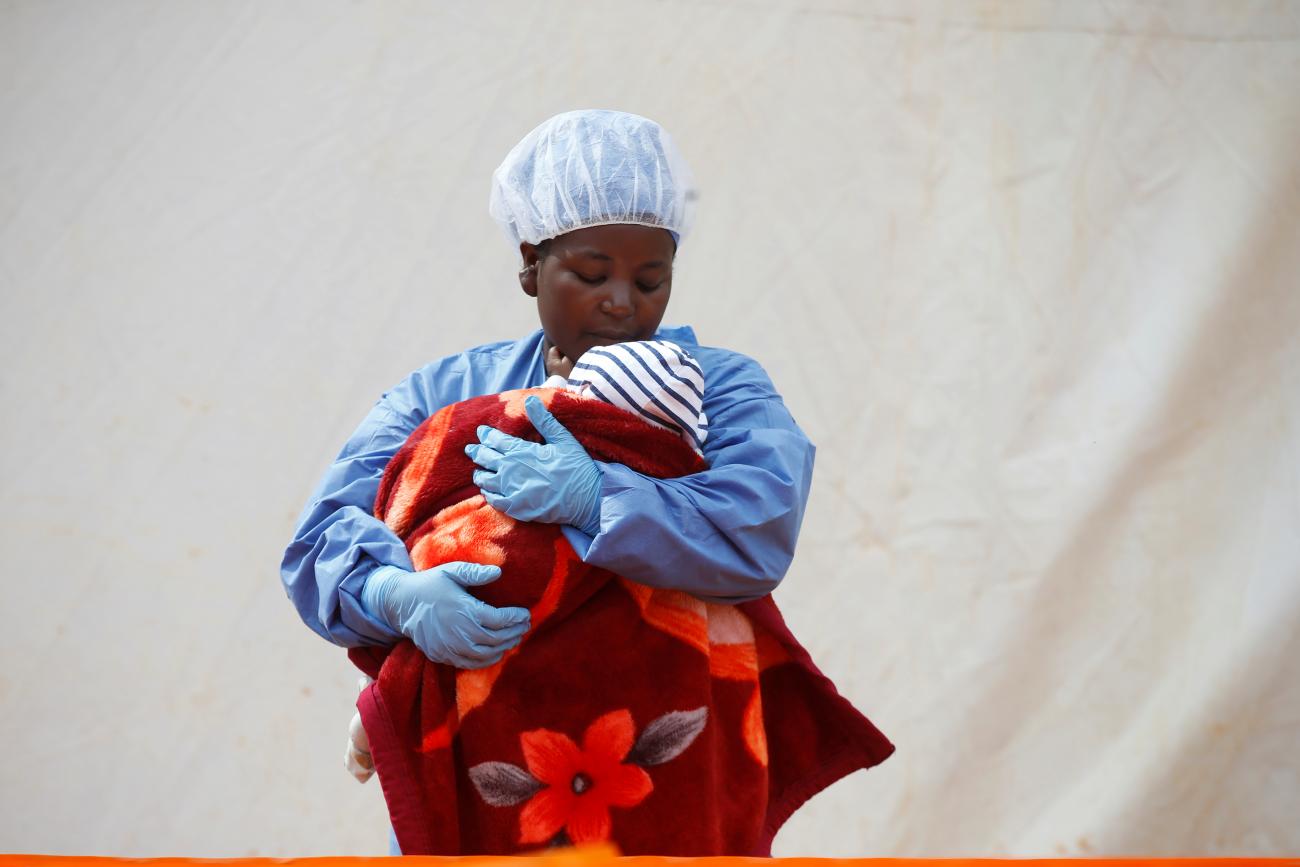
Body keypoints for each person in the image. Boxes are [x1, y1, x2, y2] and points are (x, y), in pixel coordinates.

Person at [281, 110, 831, 851]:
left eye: (650, 279)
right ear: (530, 265)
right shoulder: (442, 391)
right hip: (487, 762)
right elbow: (321, 535)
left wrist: (602, 499)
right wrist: (394, 595)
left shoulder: (716, 389)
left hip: (660, 755)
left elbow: (758, 522)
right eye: (591, 273)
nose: (621, 303)